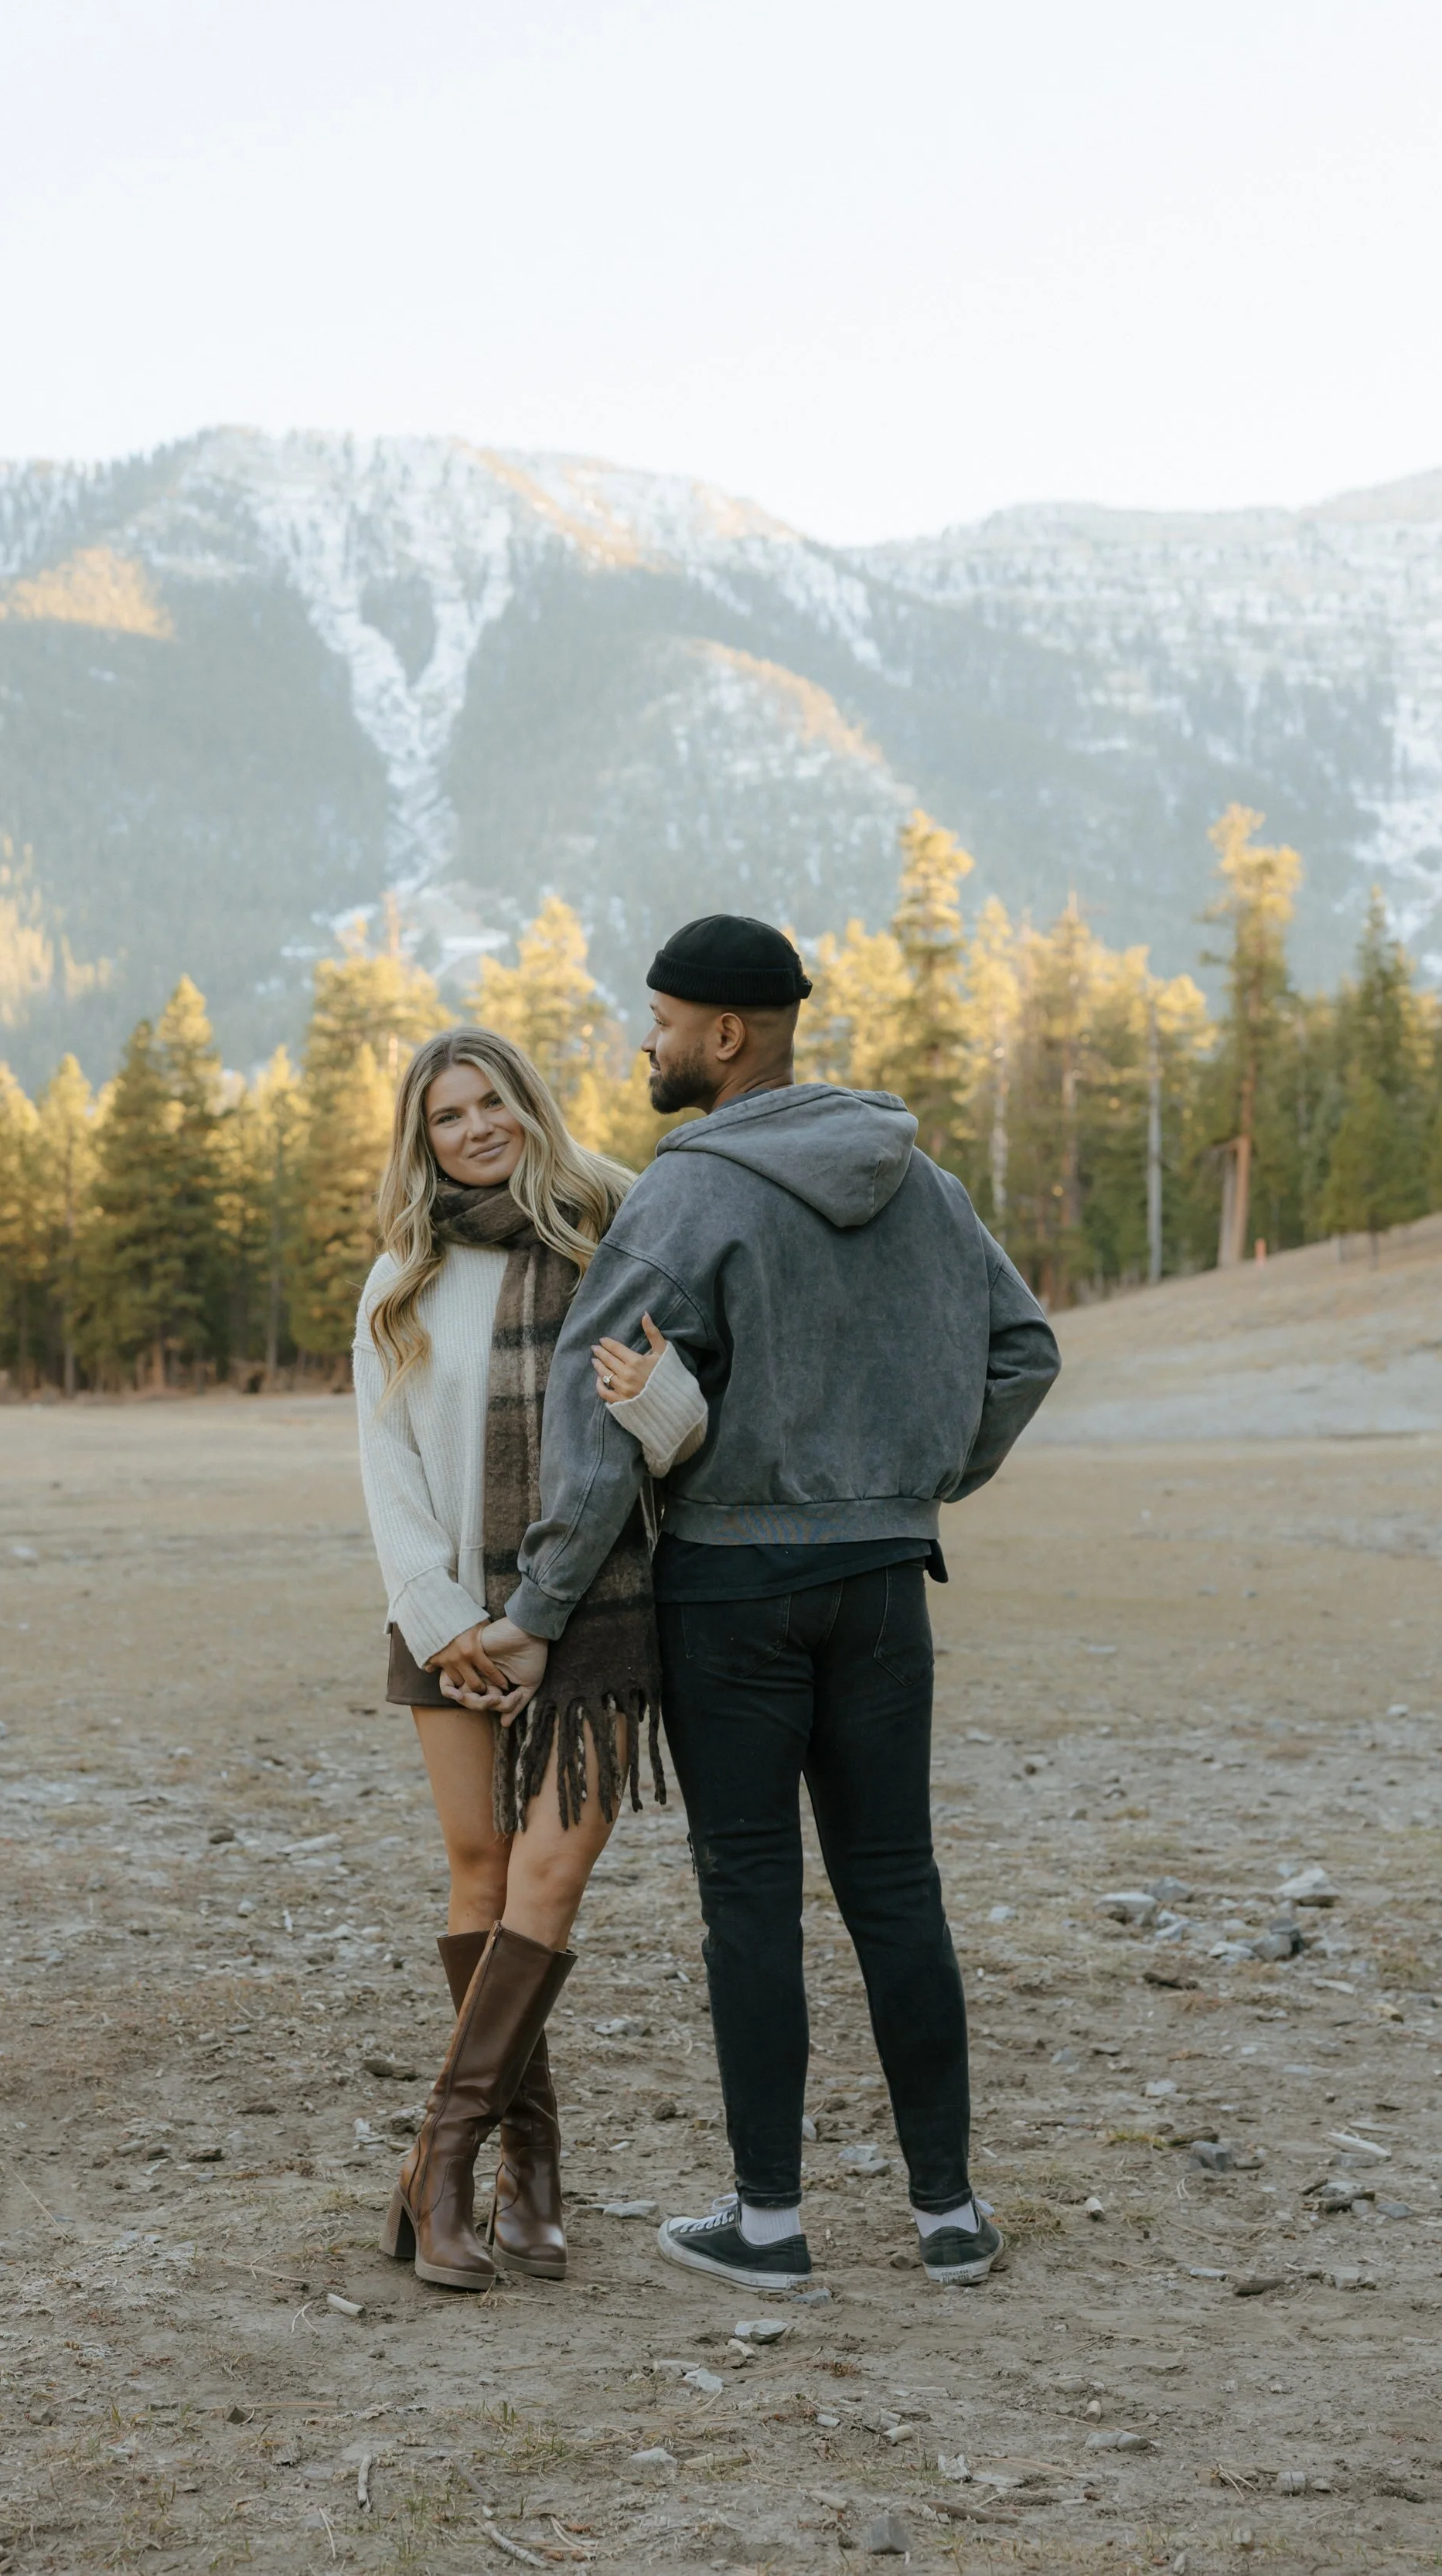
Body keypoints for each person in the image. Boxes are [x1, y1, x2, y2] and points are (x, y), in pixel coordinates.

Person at [503, 915, 1062, 2293]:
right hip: (885, 1582)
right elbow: (1025, 1347)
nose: (647, 1040)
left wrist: (538, 1602)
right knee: (896, 1885)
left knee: (748, 1894)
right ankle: (949, 2215)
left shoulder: (686, 1194)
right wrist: (918, 1480)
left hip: (733, 1589)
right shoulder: (918, 1180)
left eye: (662, 1019)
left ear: (727, 1035)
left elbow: (594, 1415)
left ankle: (768, 2223)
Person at [353, 1026, 704, 2292]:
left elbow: (680, 1433)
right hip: (444, 1606)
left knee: (547, 1880)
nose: (478, 1127)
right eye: (450, 1114)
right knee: (480, 1868)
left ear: (530, 1104)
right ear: (424, 1136)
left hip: (598, 1606)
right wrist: (442, 1613)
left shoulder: (614, 1227)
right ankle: (527, 2174)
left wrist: (661, 1395)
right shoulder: (406, 1269)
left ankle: (435, 2168)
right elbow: (384, 1458)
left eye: (494, 1100)